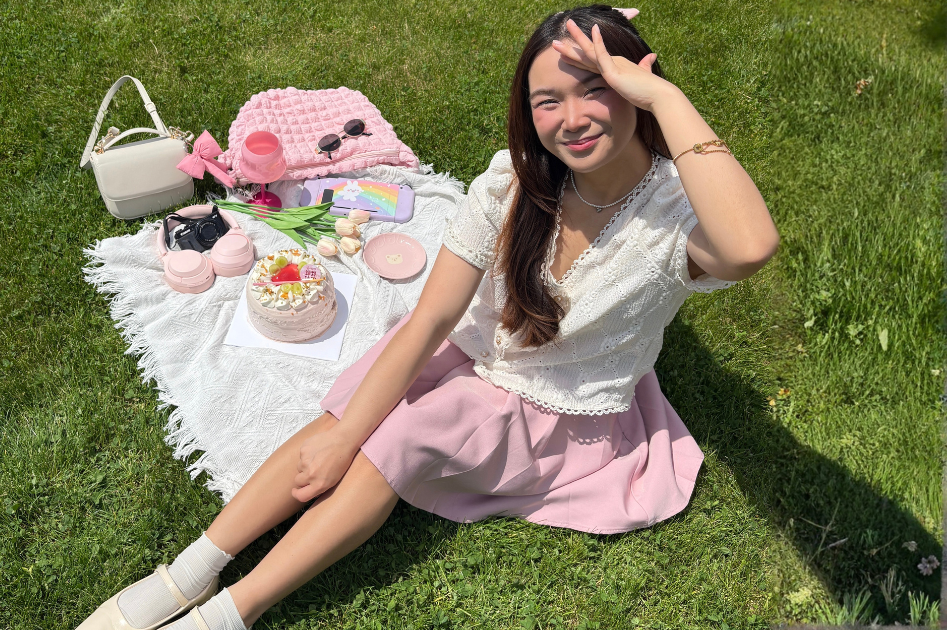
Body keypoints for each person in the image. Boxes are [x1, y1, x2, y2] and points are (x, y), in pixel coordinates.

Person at [76, 4, 779, 629]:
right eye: (547, 100)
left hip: (559, 406)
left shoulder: (676, 220)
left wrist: (662, 94)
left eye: (596, 88)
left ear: (633, 87)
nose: (573, 119)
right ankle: (190, 569)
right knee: (352, 407)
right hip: (472, 353)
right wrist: (342, 435)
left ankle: (233, 611)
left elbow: (751, 247)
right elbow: (433, 318)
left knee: (409, 429)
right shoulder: (516, 180)